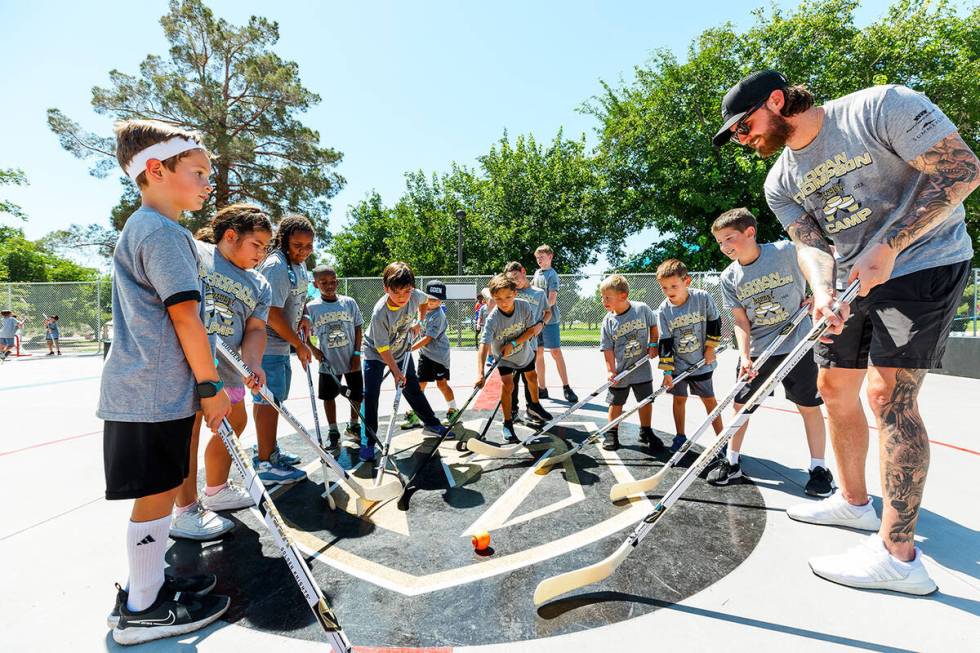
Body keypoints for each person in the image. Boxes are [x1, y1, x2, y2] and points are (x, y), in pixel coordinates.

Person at [715, 70, 977, 594]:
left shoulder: (880, 107)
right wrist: (822, 292)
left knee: (888, 396)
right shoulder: (779, 182)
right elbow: (811, 244)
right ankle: (855, 504)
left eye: (745, 127)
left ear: (776, 100)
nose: (744, 141)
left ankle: (899, 559)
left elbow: (963, 170)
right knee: (833, 389)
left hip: (924, 262)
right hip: (853, 278)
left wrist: (891, 243)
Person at [98, 119, 230, 645]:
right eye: (197, 172)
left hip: (145, 389)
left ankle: (147, 590)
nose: (207, 184)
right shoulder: (163, 233)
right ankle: (142, 609)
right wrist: (210, 386)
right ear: (156, 170)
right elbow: (185, 318)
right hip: (151, 393)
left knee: (154, 493)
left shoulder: (145, 229)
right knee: (153, 497)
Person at [710, 208, 831, 496]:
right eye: (720, 243)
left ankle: (818, 469)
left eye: (730, 239)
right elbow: (740, 320)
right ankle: (732, 461)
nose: (725, 247)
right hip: (759, 349)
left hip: (798, 343)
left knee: (809, 406)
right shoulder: (730, 277)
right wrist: (744, 356)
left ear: (750, 232)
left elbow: (824, 259)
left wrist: (820, 291)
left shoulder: (785, 251)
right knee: (741, 406)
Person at [169, 204, 273, 540]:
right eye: (256, 244)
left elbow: (256, 329)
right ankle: (185, 510)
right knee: (191, 431)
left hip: (230, 370)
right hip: (190, 365)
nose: (261, 253)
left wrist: (254, 362)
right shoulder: (197, 253)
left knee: (235, 421)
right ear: (231, 236)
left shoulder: (260, 284)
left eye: (266, 247)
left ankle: (215, 490)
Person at [362, 262, 451, 461]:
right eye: (397, 292)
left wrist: (419, 321)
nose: (402, 297)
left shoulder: (415, 295)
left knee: (412, 388)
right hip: (375, 353)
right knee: (371, 394)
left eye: (406, 291)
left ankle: (431, 423)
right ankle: (369, 440)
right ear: (386, 289)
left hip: (401, 350)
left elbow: (423, 302)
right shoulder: (380, 312)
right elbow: (383, 348)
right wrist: (395, 372)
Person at [253, 215, 315, 485]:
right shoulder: (277, 266)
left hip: (281, 346)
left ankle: (270, 450)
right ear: (284, 240)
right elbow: (273, 314)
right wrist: (299, 344)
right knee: (267, 402)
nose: (302, 251)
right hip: (267, 346)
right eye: (297, 245)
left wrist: (304, 316)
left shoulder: (298, 265)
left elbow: (298, 299)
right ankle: (266, 463)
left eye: (308, 245)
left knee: (274, 401)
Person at [656, 258, 723, 453]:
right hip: (678, 366)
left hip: (702, 362)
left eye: (673, 286)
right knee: (678, 400)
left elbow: (715, 322)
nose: (669, 292)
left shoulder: (702, 298)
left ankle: (722, 439)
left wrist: (710, 348)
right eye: (664, 288)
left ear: (687, 281)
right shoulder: (663, 310)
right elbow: (665, 341)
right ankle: (680, 437)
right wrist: (667, 372)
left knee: (709, 399)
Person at [476, 274, 552, 443]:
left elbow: (532, 331)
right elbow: (483, 346)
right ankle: (508, 422)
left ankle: (534, 405)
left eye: (508, 297)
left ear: (515, 293)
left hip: (523, 353)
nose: (503, 302)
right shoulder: (492, 319)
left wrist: (514, 342)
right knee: (508, 385)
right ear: (493, 298)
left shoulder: (524, 306)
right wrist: (480, 373)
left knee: (532, 378)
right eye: (498, 298)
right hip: (504, 358)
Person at [598, 274, 662, 453]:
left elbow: (653, 326)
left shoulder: (642, 309)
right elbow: (607, 348)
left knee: (646, 401)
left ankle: (646, 430)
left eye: (607, 297)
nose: (604, 301)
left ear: (623, 296)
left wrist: (652, 343)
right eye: (602, 297)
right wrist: (611, 371)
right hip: (621, 372)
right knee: (616, 402)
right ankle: (611, 432)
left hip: (642, 369)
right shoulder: (608, 321)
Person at [307, 265, 364, 451]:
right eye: (323, 282)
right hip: (328, 363)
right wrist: (313, 349)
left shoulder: (349, 302)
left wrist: (356, 353)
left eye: (332, 281)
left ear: (337, 281)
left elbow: (357, 328)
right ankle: (333, 431)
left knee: (356, 394)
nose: (329, 285)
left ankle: (354, 425)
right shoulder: (311, 307)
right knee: (328, 396)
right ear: (315, 284)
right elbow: (303, 334)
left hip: (351, 360)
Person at [403, 280, 457, 426]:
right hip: (425, 355)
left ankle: (453, 409)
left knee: (442, 384)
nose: (433, 302)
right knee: (419, 384)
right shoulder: (422, 311)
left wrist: (411, 348)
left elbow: (428, 338)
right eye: (430, 299)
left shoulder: (438, 316)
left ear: (441, 301)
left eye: (437, 300)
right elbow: (417, 329)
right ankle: (416, 413)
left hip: (439, 357)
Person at [504, 261, 551, 424]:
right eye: (511, 279)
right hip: (514, 343)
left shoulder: (538, 293)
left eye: (516, 276)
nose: (515, 281)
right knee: (513, 380)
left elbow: (548, 312)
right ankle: (513, 410)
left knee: (530, 378)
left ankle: (532, 409)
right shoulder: (510, 293)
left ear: (523, 271)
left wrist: (542, 323)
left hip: (531, 343)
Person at [532, 244, 578, 402]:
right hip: (536, 320)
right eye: (537, 258)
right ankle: (542, 388)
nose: (539, 261)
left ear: (550, 257)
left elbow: (552, 299)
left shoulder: (552, 275)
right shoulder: (537, 273)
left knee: (555, 352)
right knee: (538, 353)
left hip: (549, 320)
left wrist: (541, 311)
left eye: (542, 257)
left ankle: (566, 387)